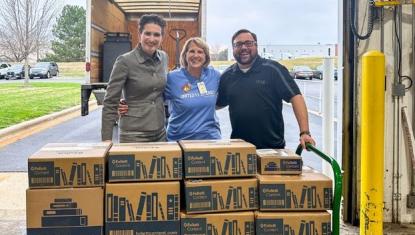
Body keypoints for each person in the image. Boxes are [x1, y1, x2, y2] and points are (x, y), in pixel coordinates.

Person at [216, 29, 315, 149]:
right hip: (240, 149)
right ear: (233, 49)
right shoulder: (227, 75)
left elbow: (295, 97)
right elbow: (217, 103)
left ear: (256, 45)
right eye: (238, 44)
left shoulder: (273, 69)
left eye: (248, 43)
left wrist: (304, 132)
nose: (243, 47)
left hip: (272, 148)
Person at [118, 37, 221, 141]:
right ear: (185, 55)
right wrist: (127, 103)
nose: (196, 55)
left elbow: (226, 98)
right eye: (192, 51)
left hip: (210, 137)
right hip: (179, 138)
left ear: (206, 56)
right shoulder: (172, 78)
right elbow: (151, 96)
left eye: (200, 52)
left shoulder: (215, 76)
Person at [101, 14, 168, 143]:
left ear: (162, 37)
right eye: (147, 33)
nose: (152, 39)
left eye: (157, 35)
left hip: (160, 132)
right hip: (133, 134)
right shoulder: (124, 61)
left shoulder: (164, 57)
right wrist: (106, 141)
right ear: (139, 34)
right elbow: (110, 102)